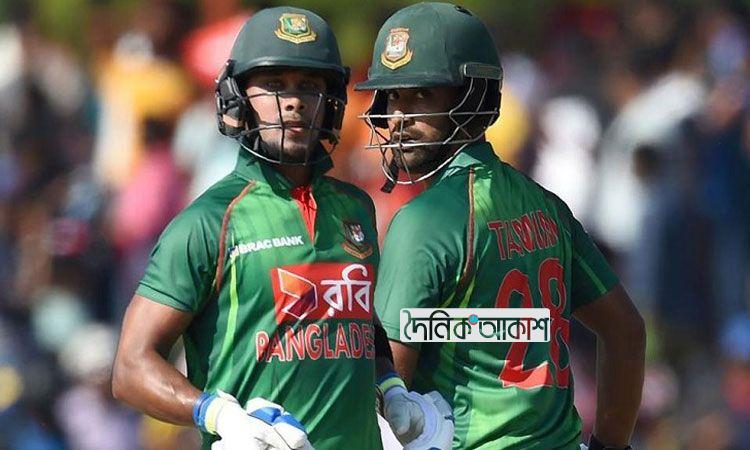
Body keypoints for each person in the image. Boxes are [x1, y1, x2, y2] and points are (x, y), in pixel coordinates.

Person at [112, 7, 447, 450]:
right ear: (237, 97)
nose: (294, 101)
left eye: (309, 86)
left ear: (331, 100)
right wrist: (219, 415)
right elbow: (130, 368)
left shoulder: (357, 208)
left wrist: (390, 386)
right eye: (274, 85)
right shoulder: (208, 221)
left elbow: (356, 322)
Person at [356, 3, 646, 449]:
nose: (398, 117)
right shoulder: (546, 205)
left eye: (421, 96)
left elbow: (388, 399)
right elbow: (626, 330)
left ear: (473, 98)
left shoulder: (423, 221)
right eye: (393, 97)